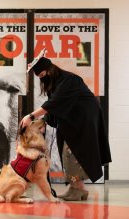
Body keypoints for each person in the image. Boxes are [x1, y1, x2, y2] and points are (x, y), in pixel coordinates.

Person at [20, 56, 112, 201]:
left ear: (50, 70)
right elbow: (55, 106)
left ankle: (78, 189)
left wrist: (31, 116)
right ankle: (76, 187)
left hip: (83, 118)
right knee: (66, 149)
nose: (43, 80)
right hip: (72, 118)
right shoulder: (57, 83)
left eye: (43, 75)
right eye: (40, 77)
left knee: (73, 152)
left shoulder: (69, 80)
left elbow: (55, 103)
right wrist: (44, 121)